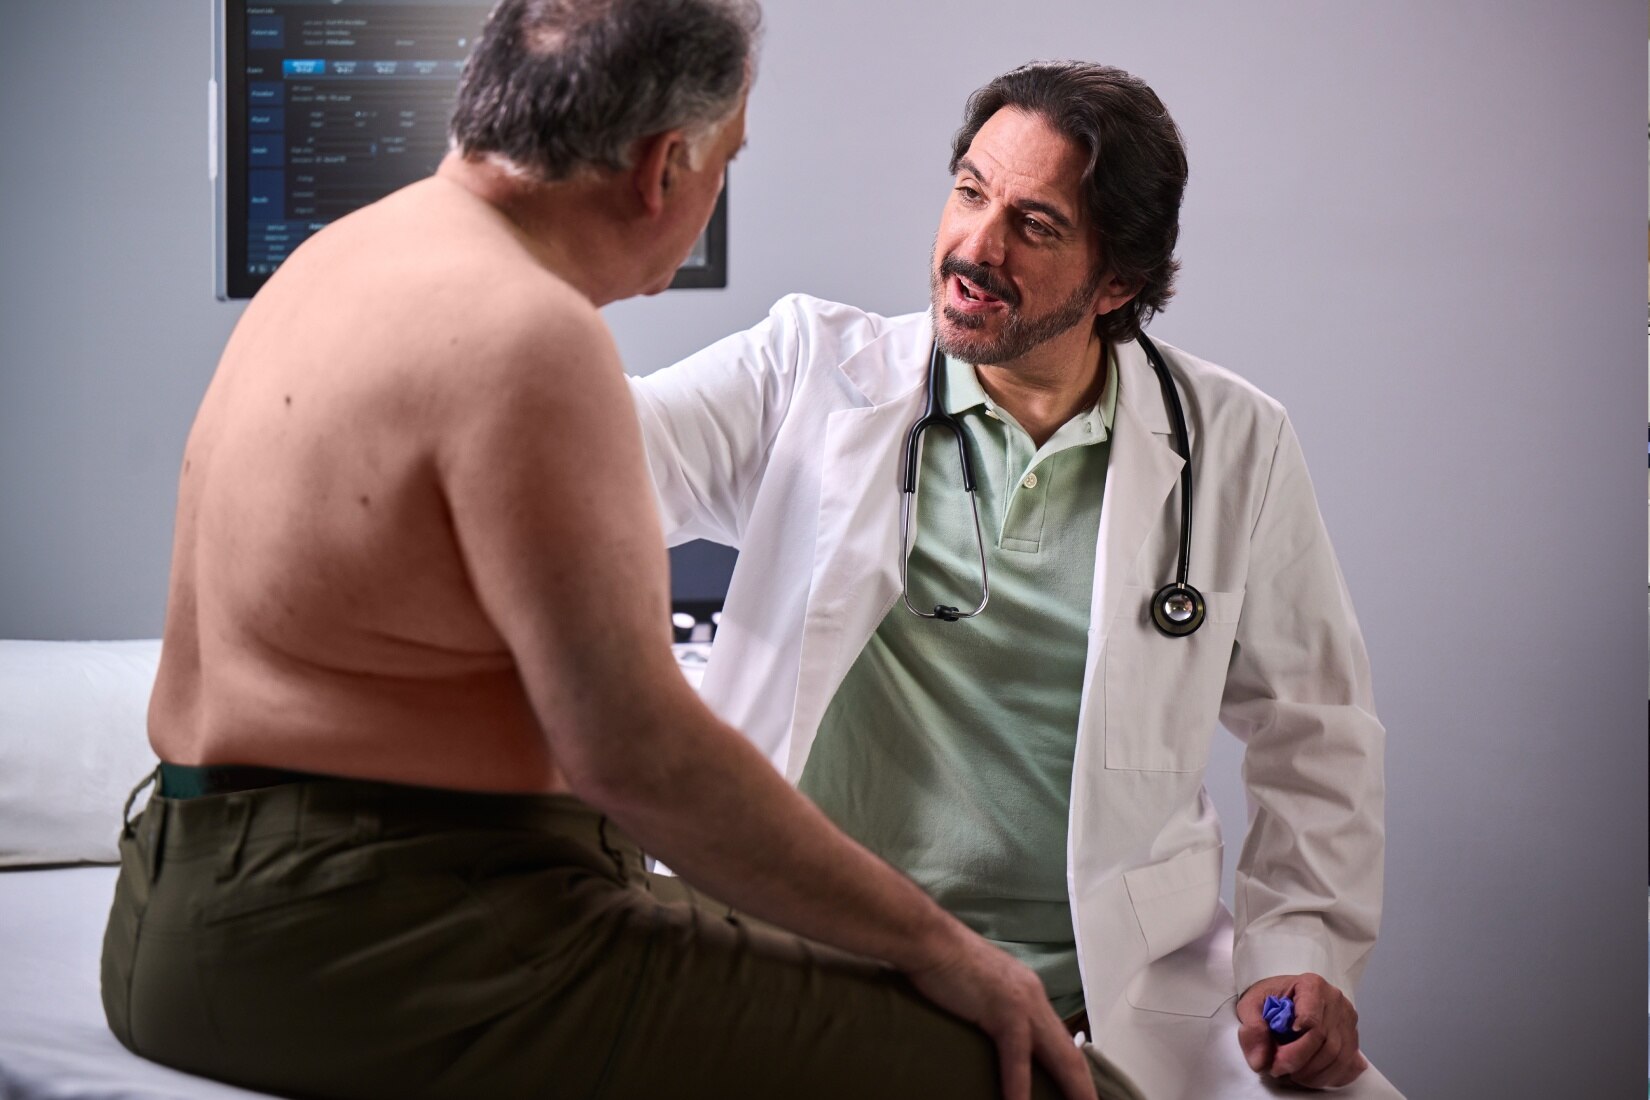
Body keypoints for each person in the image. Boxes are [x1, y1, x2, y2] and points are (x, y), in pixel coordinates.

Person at [100, 4, 1141, 1099]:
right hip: (383, 927)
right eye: (728, 162)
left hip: (190, 898)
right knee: (1041, 1074)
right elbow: (639, 756)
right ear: (663, 167)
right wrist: (944, 945)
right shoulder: (529, 333)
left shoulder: (344, 255)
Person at [630, 60, 1399, 1099]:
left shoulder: (1234, 443)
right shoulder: (810, 374)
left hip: (1106, 991)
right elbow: (589, 449)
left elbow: (1316, 729)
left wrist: (1299, 952)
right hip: (814, 967)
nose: (976, 246)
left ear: (1117, 282)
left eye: (1034, 225)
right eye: (970, 191)